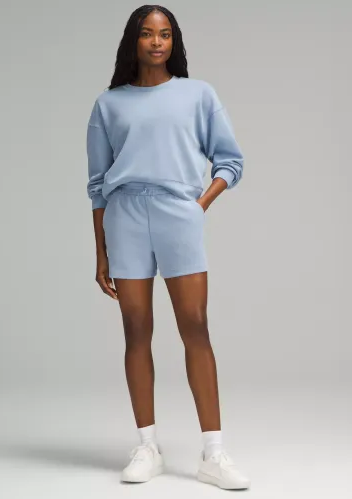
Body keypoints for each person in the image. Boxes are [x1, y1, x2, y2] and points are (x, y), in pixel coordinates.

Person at [86, 5, 251, 490]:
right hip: (125, 217)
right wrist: (101, 252)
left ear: (174, 41)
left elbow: (230, 161)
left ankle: (213, 453)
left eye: (164, 34)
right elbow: (97, 185)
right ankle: (147, 447)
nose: (156, 42)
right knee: (136, 329)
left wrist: (198, 205)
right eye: (147, 34)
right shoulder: (109, 104)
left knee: (195, 325)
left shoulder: (199, 94)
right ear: (133, 41)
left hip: (179, 212)